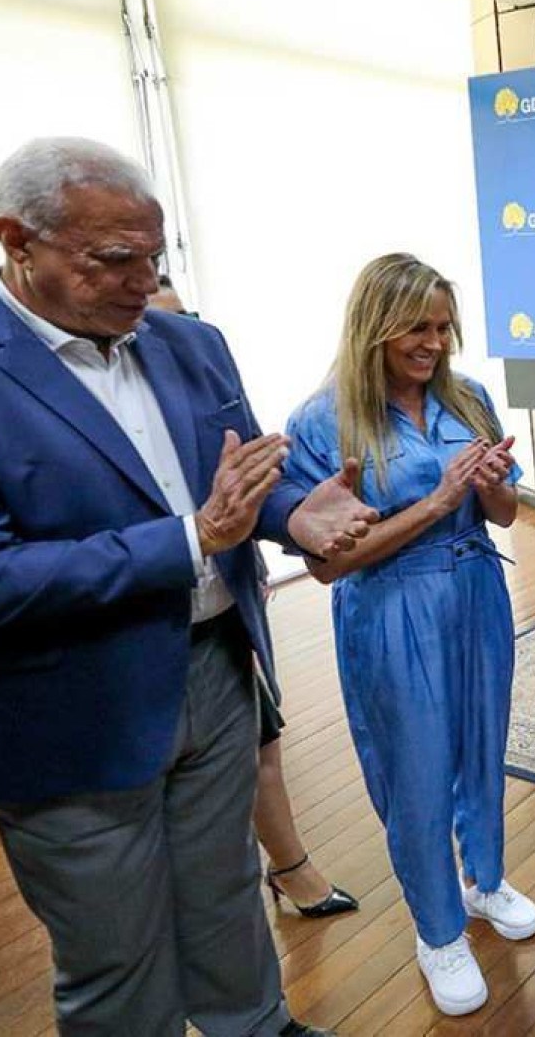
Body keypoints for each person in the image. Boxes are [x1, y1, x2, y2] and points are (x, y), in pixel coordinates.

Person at [0, 136, 375, 1036]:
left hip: (212, 668)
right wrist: (190, 539)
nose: (143, 281)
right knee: (116, 954)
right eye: (114, 260)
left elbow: (243, 480)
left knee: (224, 900)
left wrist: (298, 515)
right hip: (63, 705)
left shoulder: (190, 343)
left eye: (154, 257)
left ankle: (257, 1024)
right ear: (17, 240)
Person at [283, 253, 535, 1017]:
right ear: (374, 329)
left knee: (480, 747)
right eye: (416, 330)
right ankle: (438, 932)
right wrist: (436, 502)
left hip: (476, 589)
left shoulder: (470, 396)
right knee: (417, 770)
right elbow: (327, 567)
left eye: (442, 327)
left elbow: (505, 515)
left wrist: (491, 486)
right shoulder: (324, 421)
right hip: (392, 604)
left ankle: (483, 882)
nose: (433, 344)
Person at [150, 275, 358, 919]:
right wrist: (199, 536)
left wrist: (292, 519)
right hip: (126, 651)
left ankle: (285, 878)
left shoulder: (202, 350)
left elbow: (257, 482)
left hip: (221, 626)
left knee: (259, 748)